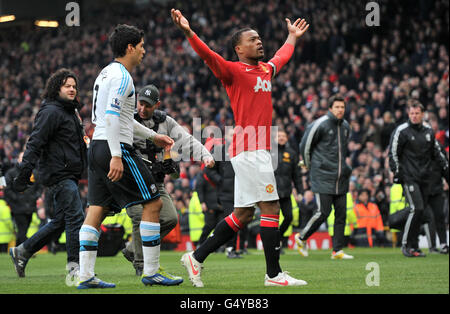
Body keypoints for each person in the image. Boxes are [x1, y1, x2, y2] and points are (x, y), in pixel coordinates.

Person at [172, 8, 309, 287]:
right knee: (271, 207)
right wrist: (189, 32)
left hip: (254, 150)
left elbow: (282, 55)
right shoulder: (233, 71)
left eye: (260, 39)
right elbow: (209, 55)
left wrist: (292, 37)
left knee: (244, 214)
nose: (259, 42)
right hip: (250, 148)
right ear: (239, 48)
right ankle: (274, 275)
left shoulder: (266, 70)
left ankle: (196, 258)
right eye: (253, 40)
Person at [77, 24, 177, 289]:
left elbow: (120, 119)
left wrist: (153, 136)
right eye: (142, 46)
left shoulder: (105, 73)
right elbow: (112, 118)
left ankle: (85, 275)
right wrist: (116, 156)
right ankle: (151, 271)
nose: (144, 51)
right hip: (115, 148)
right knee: (153, 204)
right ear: (130, 47)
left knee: (96, 210)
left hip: (96, 147)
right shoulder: (123, 78)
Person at [122, 84, 214, 275]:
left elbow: (187, 140)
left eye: (147, 105)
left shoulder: (166, 122)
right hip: (131, 181)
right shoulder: (127, 120)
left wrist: (204, 154)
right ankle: (141, 265)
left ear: (157, 105)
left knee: (170, 219)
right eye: (140, 103)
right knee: (140, 217)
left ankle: (133, 249)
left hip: (155, 182)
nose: (142, 109)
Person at [9, 68, 87, 278]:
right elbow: (35, 142)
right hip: (58, 173)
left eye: (74, 86)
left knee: (62, 220)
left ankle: (22, 251)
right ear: (56, 88)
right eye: (67, 86)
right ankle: (74, 269)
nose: (72, 89)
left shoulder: (70, 111)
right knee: (75, 217)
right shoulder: (51, 111)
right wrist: (24, 173)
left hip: (68, 172)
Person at [295, 94, 354, 260]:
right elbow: (305, 145)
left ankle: (337, 250)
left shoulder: (346, 127)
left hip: (341, 177)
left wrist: (347, 168)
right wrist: (307, 163)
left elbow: (343, 151)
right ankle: (301, 238)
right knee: (323, 212)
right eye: (337, 107)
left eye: (342, 107)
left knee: (341, 214)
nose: (340, 110)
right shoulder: (319, 124)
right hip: (322, 175)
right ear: (330, 108)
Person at [388, 101, 449, 257]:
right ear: (409, 114)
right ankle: (406, 245)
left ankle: (414, 246)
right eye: (412, 113)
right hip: (409, 178)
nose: (414, 116)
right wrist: (397, 173)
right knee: (417, 208)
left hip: (425, 179)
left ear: (422, 114)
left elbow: (438, 154)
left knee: (421, 213)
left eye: (417, 113)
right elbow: (393, 153)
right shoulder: (402, 131)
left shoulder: (429, 132)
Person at [4, 152, 43, 246]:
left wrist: (35, 197)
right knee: (22, 229)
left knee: (24, 229)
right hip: (17, 207)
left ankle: (17, 250)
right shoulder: (11, 173)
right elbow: (7, 189)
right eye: (22, 157)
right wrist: (17, 198)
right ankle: (27, 248)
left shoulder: (34, 173)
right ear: (18, 159)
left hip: (30, 206)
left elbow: (40, 187)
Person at [272, 129, 303, 249]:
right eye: (279, 136)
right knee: (272, 219)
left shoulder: (292, 153)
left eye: (283, 136)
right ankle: (273, 243)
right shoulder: (269, 152)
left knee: (289, 217)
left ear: (287, 138)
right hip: (271, 192)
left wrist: (300, 191)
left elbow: (297, 175)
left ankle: (277, 238)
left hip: (285, 192)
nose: (281, 138)